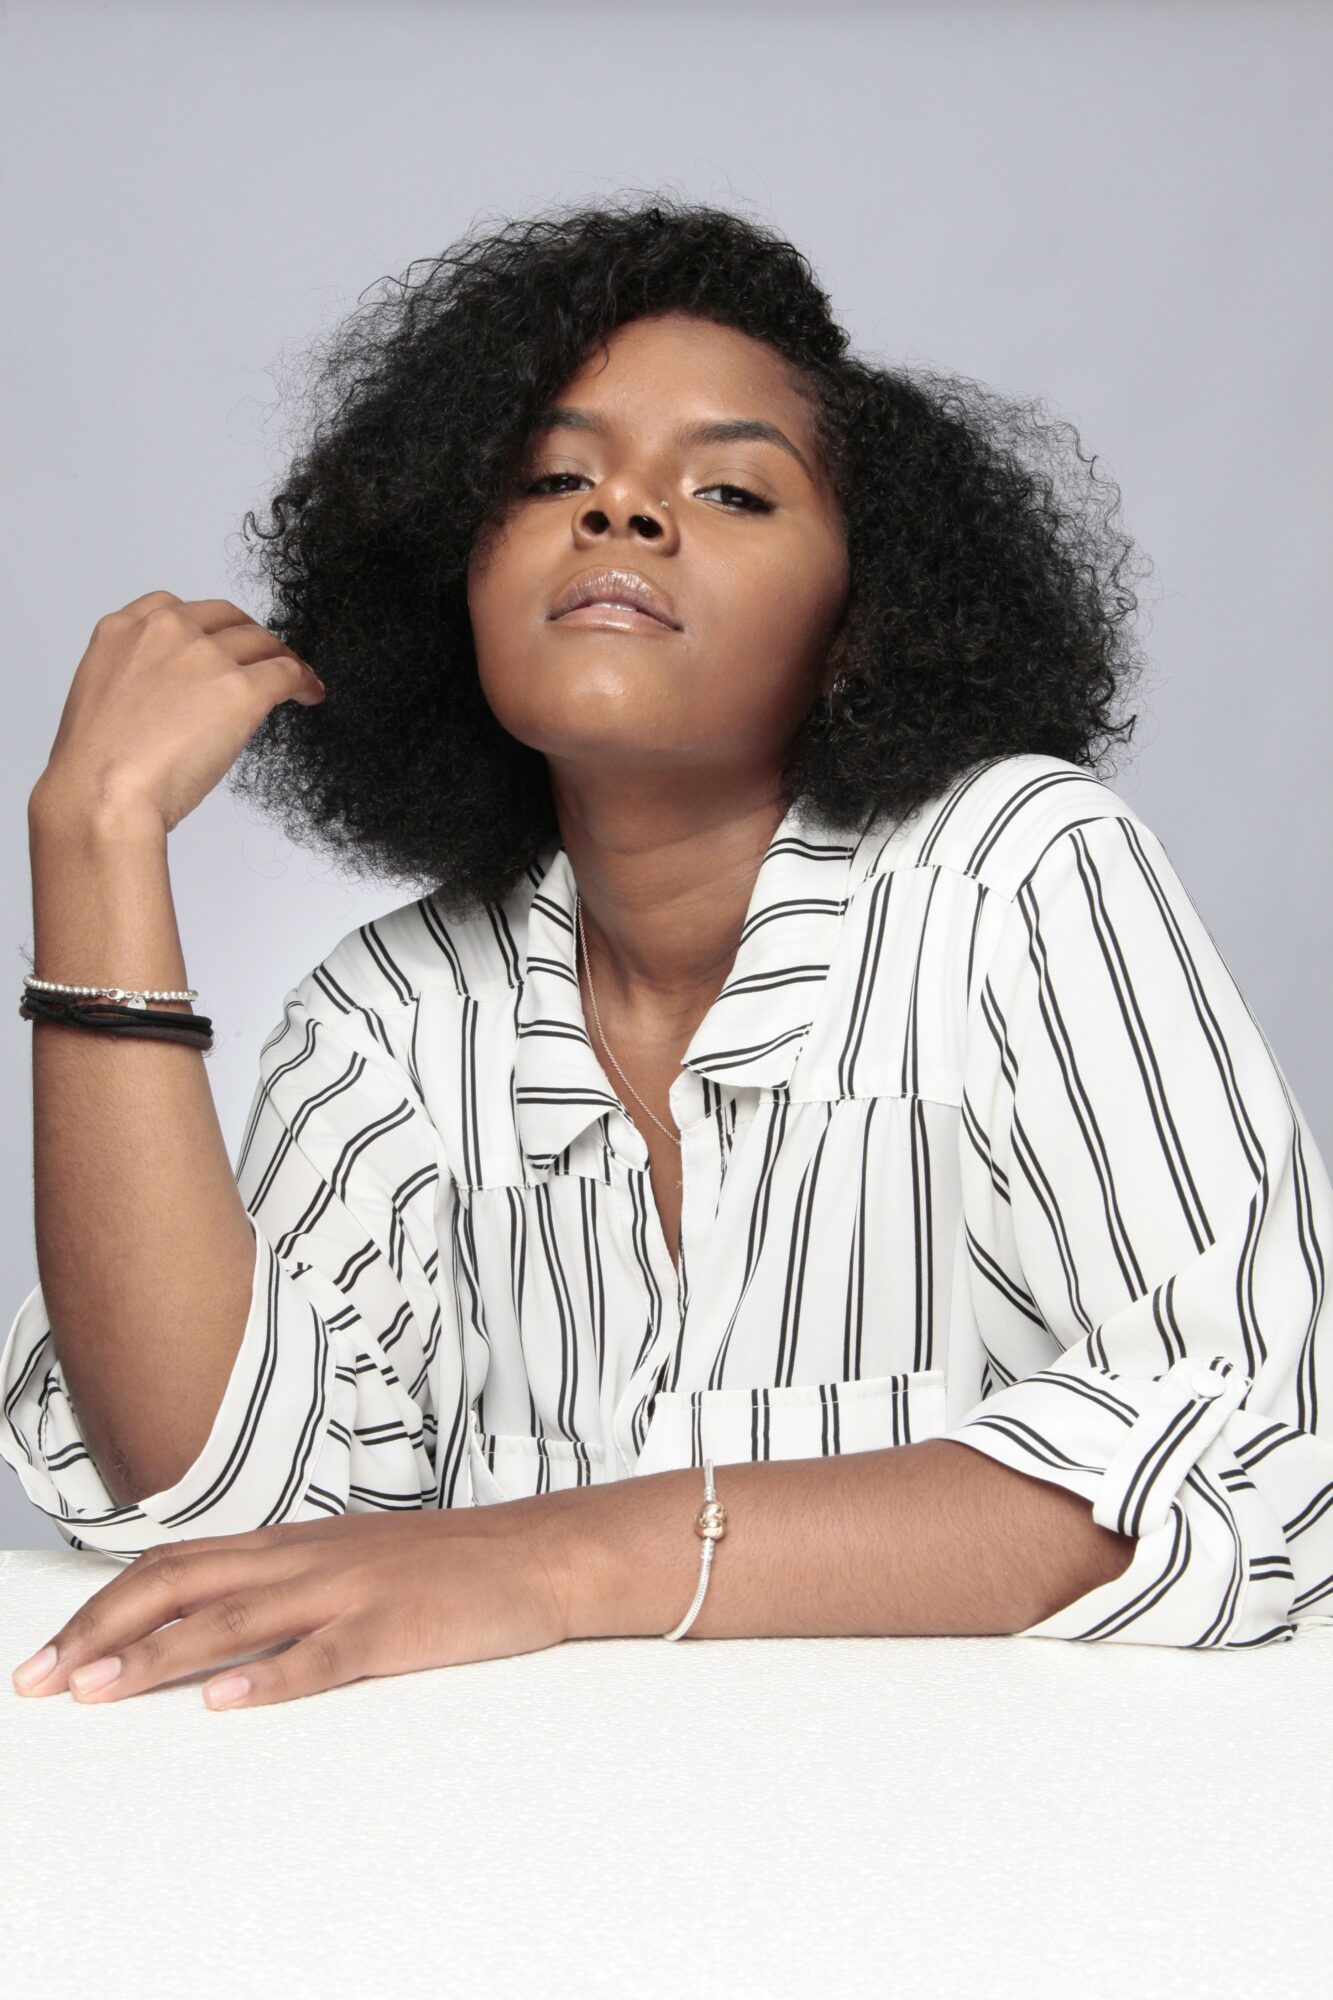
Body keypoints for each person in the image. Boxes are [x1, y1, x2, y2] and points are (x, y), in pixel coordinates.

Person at [6, 196, 1331, 1714]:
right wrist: (97, 841)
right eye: (554, 477)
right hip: (513, 1843)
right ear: (454, 578)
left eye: (733, 491)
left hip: (976, 1835)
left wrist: (554, 1561)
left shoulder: (1011, 876)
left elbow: (1267, 1445)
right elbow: (223, 1521)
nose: (622, 514)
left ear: (859, 623)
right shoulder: (390, 1019)